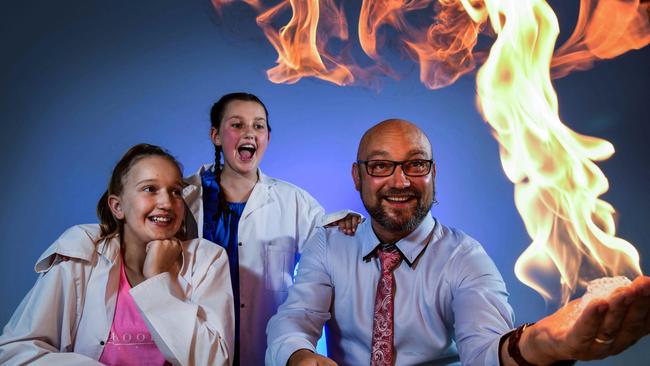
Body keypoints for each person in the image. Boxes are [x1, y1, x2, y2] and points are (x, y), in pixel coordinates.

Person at [266, 119, 650, 366]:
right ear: (358, 176)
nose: (400, 182)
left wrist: (540, 344)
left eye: (416, 164)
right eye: (382, 166)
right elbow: (294, 319)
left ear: (434, 174)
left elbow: (484, 351)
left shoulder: (465, 258)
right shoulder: (330, 245)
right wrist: (299, 356)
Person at [0, 144, 234, 365]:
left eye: (175, 191)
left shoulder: (207, 260)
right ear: (117, 207)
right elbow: (15, 352)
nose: (166, 202)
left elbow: (215, 361)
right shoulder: (81, 254)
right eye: (150, 189)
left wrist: (156, 281)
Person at [182, 92, 360, 365]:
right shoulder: (183, 197)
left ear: (267, 137)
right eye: (237, 124)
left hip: (264, 352)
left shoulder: (293, 201)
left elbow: (329, 242)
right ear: (216, 136)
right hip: (193, 349)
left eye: (258, 125)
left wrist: (348, 221)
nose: (249, 133)